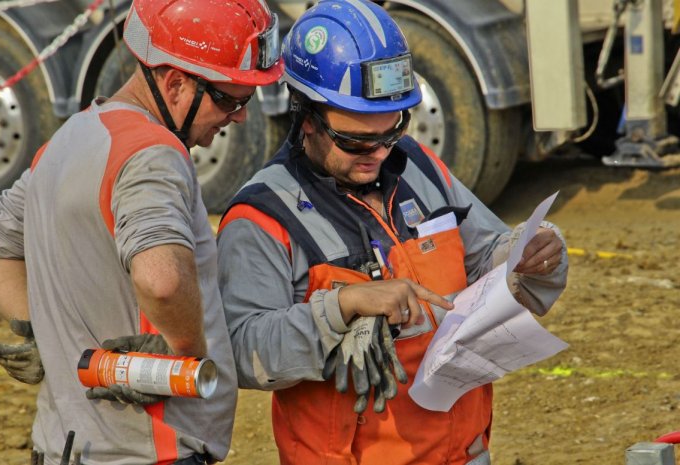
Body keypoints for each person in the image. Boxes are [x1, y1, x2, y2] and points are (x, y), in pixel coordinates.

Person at [216, 1, 568, 464]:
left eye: (391, 132)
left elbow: (488, 255)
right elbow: (241, 350)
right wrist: (340, 310)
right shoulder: (262, 217)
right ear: (304, 117)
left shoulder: (419, 166)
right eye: (356, 140)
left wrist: (531, 253)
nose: (378, 154)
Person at [0, 0, 283, 463]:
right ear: (175, 83)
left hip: (61, 447)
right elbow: (162, 280)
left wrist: (41, 335)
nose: (238, 117)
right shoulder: (151, 154)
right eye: (230, 99)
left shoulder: (68, 140)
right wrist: (186, 352)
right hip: (143, 451)